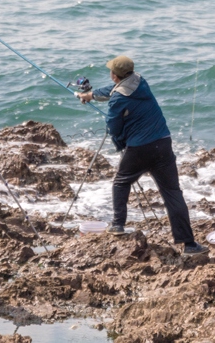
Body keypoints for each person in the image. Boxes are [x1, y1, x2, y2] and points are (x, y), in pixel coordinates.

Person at [77, 56, 207, 255]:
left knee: (120, 182)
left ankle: (118, 225)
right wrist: (91, 95)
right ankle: (189, 244)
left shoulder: (119, 99)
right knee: (173, 193)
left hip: (140, 148)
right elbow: (111, 91)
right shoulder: (140, 81)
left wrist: (121, 144)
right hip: (163, 143)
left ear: (114, 75)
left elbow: (113, 125)